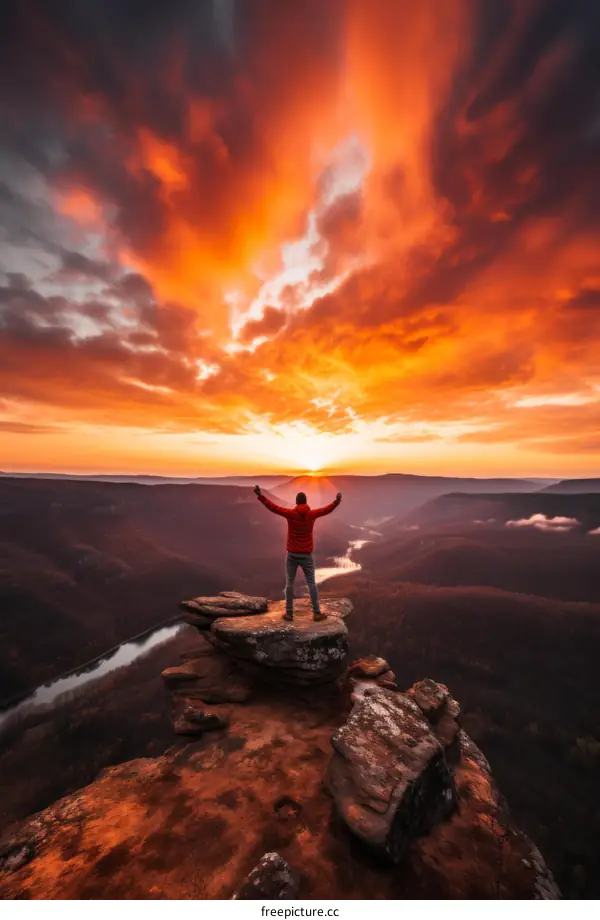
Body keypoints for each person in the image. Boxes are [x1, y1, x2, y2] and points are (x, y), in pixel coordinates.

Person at [254, 485, 342, 622]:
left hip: (292, 555)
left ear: (296, 502)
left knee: (289, 583)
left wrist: (261, 496)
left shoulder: (290, 513)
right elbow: (326, 510)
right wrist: (336, 502)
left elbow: (273, 507)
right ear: (306, 502)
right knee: (312, 583)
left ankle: (289, 614)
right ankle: (317, 613)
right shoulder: (312, 514)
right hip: (306, 555)